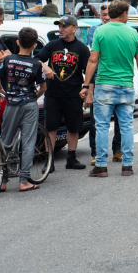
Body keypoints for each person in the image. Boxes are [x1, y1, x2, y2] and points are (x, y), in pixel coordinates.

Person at [83, 0, 138, 178]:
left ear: (111, 14)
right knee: (126, 126)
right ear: (124, 13)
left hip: (105, 84)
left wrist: (86, 85)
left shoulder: (100, 31)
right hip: (126, 85)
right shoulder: (133, 33)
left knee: (102, 126)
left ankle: (101, 166)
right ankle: (127, 165)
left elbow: (93, 60)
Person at [0, 26, 47, 192]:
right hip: (29, 104)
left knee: (6, 141)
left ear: (17, 42)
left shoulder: (8, 61)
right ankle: (24, 181)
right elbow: (43, 88)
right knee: (28, 141)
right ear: (35, 45)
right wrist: (33, 98)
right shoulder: (36, 65)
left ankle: (3, 181)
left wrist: (2, 90)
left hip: (11, 104)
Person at [36, 14, 88, 172]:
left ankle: (71, 159)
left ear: (74, 28)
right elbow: (36, 59)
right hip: (53, 94)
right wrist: (44, 66)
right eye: (59, 26)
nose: (61, 29)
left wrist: (87, 89)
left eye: (64, 26)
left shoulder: (82, 49)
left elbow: (90, 71)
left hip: (73, 95)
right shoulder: (52, 45)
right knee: (50, 128)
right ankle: (49, 161)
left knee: (73, 128)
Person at [85, 4, 121, 165]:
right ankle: (96, 152)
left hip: (119, 78)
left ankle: (117, 150)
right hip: (98, 79)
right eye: (103, 14)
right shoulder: (94, 30)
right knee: (96, 120)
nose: (105, 17)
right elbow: (95, 54)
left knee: (121, 118)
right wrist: (88, 86)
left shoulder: (121, 29)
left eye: (107, 14)